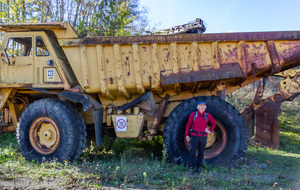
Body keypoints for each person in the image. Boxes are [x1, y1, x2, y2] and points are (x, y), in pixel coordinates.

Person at [185, 101, 216, 174]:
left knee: (201, 153)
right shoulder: (193, 114)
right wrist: (187, 135)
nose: (202, 107)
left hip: (203, 137)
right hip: (194, 136)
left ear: (205, 107)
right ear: (197, 107)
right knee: (192, 152)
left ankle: (199, 168)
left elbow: (214, 124)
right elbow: (188, 124)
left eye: (204, 105)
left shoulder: (207, 115)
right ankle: (190, 168)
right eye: (200, 105)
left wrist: (209, 131)